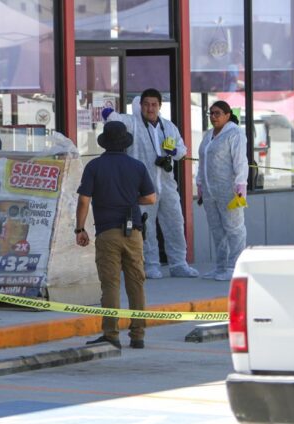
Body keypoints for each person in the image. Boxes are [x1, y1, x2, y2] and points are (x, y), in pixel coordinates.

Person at [75, 121, 156, 349]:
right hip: (134, 233)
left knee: (110, 285)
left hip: (107, 232)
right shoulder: (137, 166)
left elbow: (83, 200)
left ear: (104, 143)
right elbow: (151, 198)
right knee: (136, 283)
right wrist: (130, 200)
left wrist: (80, 229)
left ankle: (111, 335)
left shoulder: (94, 166)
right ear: (125, 144)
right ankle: (138, 335)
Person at [105, 89, 199, 279]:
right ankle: (151, 265)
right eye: (146, 104)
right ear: (141, 106)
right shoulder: (133, 124)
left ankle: (179, 264)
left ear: (159, 106)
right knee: (147, 228)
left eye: (154, 104)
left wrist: (173, 152)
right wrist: (107, 112)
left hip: (167, 185)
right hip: (143, 187)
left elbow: (182, 150)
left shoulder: (169, 127)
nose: (150, 108)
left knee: (175, 224)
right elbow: (113, 120)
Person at [196, 101, 249, 281]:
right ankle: (221, 267)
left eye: (217, 113)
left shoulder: (235, 134)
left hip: (230, 190)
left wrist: (240, 184)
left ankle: (235, 267)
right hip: (211, 191)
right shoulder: (209, 135)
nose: (213, 117)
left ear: (227, 115)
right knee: (217, 230)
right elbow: (202, 160)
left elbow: (240, 161)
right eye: (210, 113)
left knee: (234, 229)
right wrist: (200, 183)